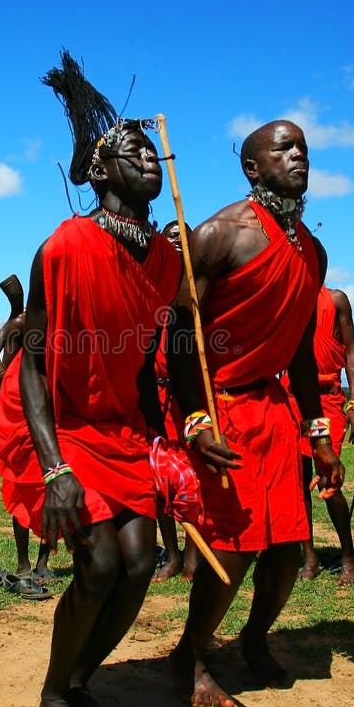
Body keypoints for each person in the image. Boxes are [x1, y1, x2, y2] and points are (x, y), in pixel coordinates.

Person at [0, 53, 234, 707]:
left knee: (137, 567)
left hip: (121, 431)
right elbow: (34, 365)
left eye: (155, 152)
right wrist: (54, 468)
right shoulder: (65, 246)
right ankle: (51, 694)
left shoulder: (166, 260)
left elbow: (179, 353)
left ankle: (79, 679)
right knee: (97, 563)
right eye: (133, 152)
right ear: (99, 173)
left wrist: (191, 422)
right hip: (58, 426)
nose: (150, 160)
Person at [167, 120, 344, 707]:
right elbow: (179, 333)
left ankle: (255, 638)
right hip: (218, 405)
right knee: (233, 545)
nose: (298, 156)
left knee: (289, 545)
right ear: (252, 167)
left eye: (304, 149)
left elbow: (296, 345)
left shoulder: (310, 249)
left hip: (271, 407)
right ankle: (191, 655)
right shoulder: (221, 232)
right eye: (283, 148)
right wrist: (195, 420)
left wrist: (317, 430)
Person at [284, 286, 354, 584]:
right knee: (298, 480)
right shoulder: (286, 297)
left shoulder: (337, 299)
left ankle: (349, 555)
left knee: (330, 478)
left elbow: (351, 351)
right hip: (292, 401)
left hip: (328, 401)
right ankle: (310, 556)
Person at [0, 299, 53, 592]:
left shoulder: (66, 325)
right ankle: (23, 563)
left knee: (52, 485)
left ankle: (43, 563)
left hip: (51, 410)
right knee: (22, 488)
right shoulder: (21, 323)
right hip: (16, 412)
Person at [153, 220, 199, 583]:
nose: (178, 245)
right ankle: (170, 554)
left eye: (183, 238)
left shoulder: (202, 289)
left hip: (192, 396)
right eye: (171, 238)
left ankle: (194, 554)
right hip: (156, 395)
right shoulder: (153, 287)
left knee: (195, 477)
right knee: (158, 478)